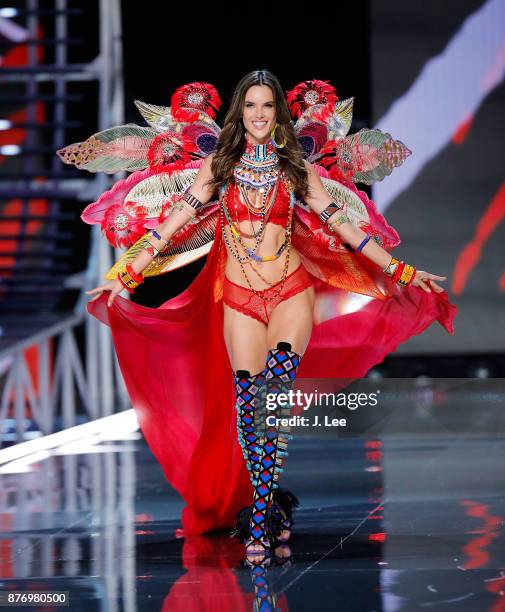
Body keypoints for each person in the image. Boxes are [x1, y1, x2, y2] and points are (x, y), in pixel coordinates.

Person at [64, 69, 457, 563]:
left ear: (279, 113)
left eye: (267, 106)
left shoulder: (296, 169)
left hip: (290, 290)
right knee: (249, 406)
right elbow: (171, 225)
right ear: (238, 112)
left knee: (274, 399)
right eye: (250, 105)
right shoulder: (218, 166)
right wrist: (126, 275)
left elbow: (347, 228)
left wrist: (401, 270)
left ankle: (264, 514)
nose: (258, 114)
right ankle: (264, 504)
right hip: (238, 295)